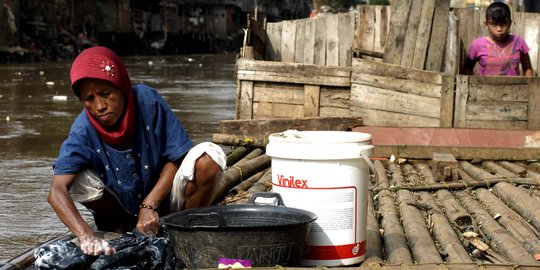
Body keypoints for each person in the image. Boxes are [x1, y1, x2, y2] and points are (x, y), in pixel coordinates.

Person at [48, 46, 227, 256]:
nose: (99, 106)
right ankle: (120, 233)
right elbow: (56, 191)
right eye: (89, 99)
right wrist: (86, 235)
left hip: (167, 204)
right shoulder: (82, 131)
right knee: (76, 178)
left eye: (106, 94)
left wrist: (149, 205)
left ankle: (183, 230)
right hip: (119, 217)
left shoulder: (147, 101)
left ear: (121, 86)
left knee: (209, 157)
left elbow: (178, 156)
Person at [462, 2, 534, 76]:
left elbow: (527, 68)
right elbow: (467, 70)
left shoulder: (518, 42)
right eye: (494, 24)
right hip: (484, 87)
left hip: (513, 87)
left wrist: (528, 86)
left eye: (503, 24)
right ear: (486, 24)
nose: (499, 29)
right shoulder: (477, 45)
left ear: (510, 23)